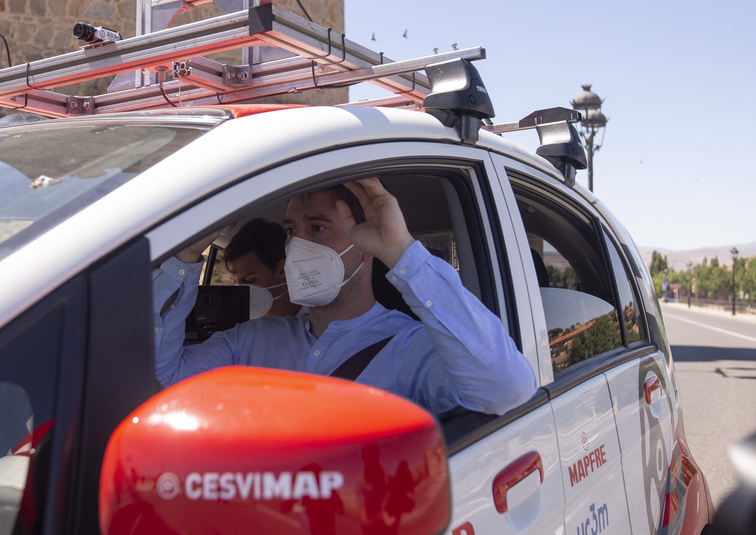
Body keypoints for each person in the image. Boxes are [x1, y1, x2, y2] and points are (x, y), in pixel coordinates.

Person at [152, 178, 537, 416]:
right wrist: (185, 254)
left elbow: (507, 389)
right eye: (291, 230)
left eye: (317, 227)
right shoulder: (248, 342)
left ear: (366, 243)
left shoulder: (411, 349)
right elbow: (161, 383)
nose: (297, 244)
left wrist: (401, 250)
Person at [222, 218, 300, 318]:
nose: (239, 293)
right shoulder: (241, 328)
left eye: (249, 280)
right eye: (234, 282)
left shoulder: (317, 323)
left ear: (280, 268)